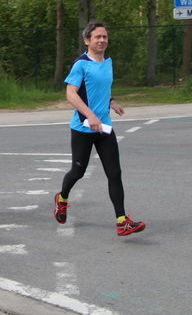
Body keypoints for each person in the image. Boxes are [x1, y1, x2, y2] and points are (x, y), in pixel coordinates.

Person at [54, 20, 146, 237]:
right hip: (83, 127)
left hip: (104, 127)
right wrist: (91, 115)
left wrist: (111, 102)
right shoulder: (81, 64)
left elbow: (100, 87)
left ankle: (122, 221)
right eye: (97, 37)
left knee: (114, 172)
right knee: (78, 171)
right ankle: (62, 198)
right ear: (87, 40)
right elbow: (71, 94)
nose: (102, 40)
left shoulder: (107, 62)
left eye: (105, 36)